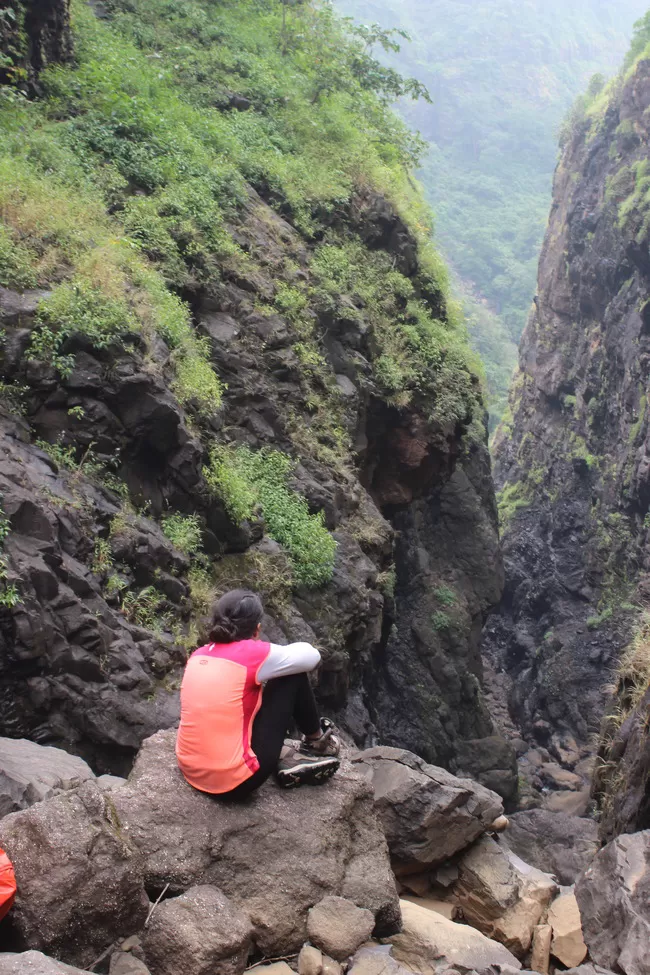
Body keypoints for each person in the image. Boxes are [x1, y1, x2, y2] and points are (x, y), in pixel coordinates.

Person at [176, 588, 340, 797]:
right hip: (236, 781)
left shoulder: (197, 655)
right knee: (292, 675)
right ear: (257, 630)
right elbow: (312, 656)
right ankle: (317, 742)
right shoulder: (253, 654)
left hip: (190, 769)